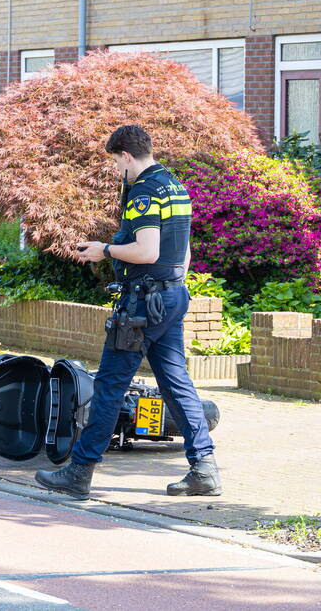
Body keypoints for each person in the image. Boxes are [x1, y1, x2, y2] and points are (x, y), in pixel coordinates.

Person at [34, 125, 220, 500]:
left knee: (109, 386)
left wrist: (105, 249)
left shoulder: (144, 193)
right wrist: (167, 283)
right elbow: (181, 251)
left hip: (141, 306)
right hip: (171, 296)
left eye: (117, 162)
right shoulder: (175, 186)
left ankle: (79, 472)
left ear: (126, 156)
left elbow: (147, 250)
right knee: (175, 383)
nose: (119, 170)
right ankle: (204, 469)